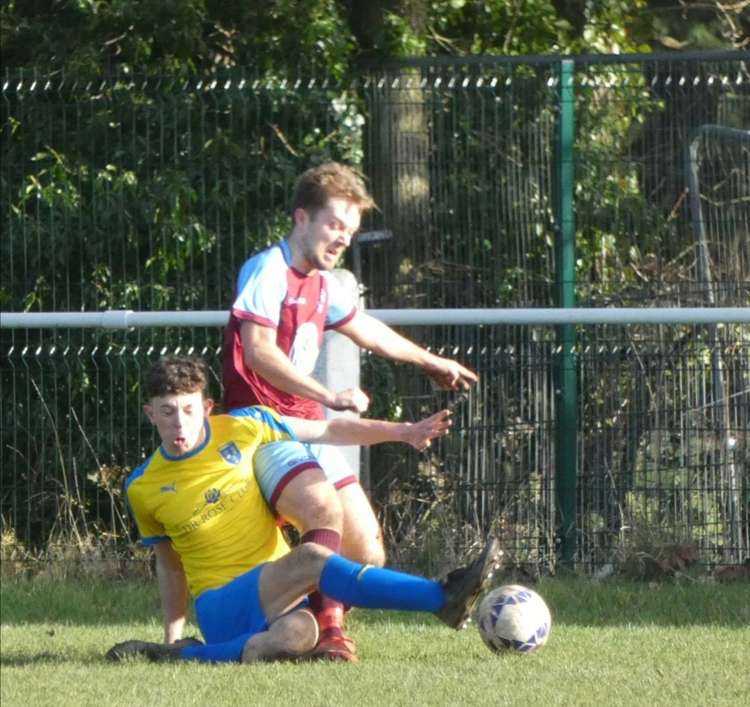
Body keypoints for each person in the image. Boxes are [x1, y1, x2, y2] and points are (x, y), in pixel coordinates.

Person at [222, 162, 479, 655]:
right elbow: (257, 351)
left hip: (308, 429)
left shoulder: (323, 285)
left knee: (366, 550)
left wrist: (431, 360)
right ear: (302, 218)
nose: (342, 239)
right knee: (322, 508)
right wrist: (327, 395)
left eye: (350, 231)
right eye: (335, 225)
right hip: (260, 427)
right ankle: (329, 632)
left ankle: (302, 626)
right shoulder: (268, 269)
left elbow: (369, 330)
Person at [107, 355, 502, 665]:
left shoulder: (245, 427)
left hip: (279, 593)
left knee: (299, 636)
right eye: (167, 411)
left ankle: (190, 656)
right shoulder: (144, 485)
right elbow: (169, 565)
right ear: (150, 413)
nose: (180, 422)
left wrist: (402, 432)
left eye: (189, 410)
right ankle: (440, 597)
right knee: (313, 557)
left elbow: (329, 431)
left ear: (207, 407)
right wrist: (172, 630)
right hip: (220, 602)